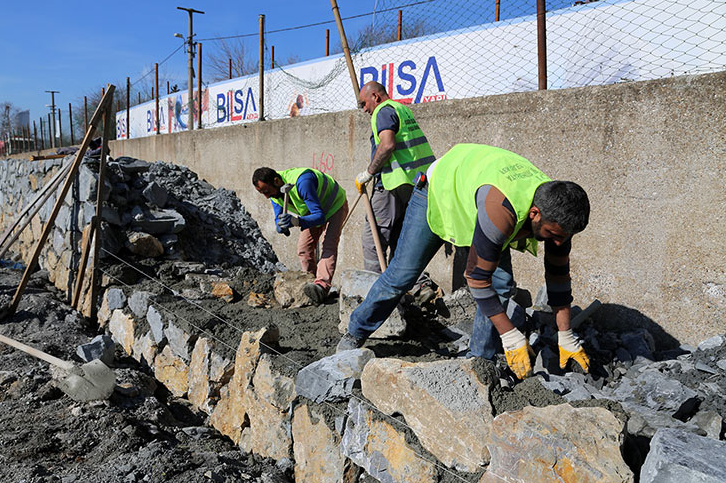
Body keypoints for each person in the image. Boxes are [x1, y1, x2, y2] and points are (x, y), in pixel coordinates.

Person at [336, 143, 591, 380]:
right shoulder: (501, 209)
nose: (558, 242)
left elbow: (558, 276)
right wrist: (511, 336)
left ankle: (478, 363)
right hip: (438, 191)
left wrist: (566, 335)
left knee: (501, 284)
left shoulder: (557, 213)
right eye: (554, 235)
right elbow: (477, 278)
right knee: (402, 276)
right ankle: (355, 332)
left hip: (476, 199)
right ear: (534, 214)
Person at [355, 82, 436, 300]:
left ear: (375, 97)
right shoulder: (402, 109)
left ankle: (373, 292)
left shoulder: (382, 111)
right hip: (417, 183)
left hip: (393, 183)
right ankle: (419, 284)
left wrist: (370, 172)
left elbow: (387, 145)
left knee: (373, 237)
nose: (364, 109)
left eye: (364, 103)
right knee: (403, 237)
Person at [253, 166, 347, 305]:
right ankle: (309, 285)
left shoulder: (303, 182)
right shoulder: (275, 193)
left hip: (334, 206)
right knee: (304, 248)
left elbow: (319, 216)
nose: (266, 196)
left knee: (329, 245)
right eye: (262, 193)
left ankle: (321, 286)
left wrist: (297, 221)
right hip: (311, 213)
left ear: (276, 181)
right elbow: (278, 217)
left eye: (266, 191)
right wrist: (281, 226)